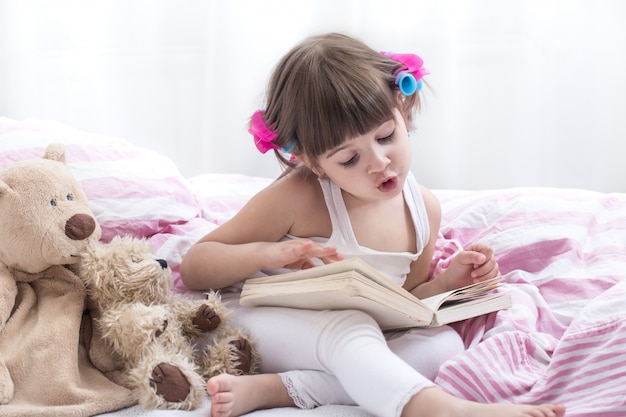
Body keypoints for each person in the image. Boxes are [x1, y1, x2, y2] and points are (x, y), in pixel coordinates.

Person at [180, 33, 566, 417]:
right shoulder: (300, 196)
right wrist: (268, 252)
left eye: (386, 136)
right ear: (312, 162)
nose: (379, 162)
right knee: (350, 328)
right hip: (250, 320)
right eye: (348, 159)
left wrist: (449, 283)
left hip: (350, 340)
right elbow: (196, 266)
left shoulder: (423, 210)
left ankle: (282, 389)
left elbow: (404, 304)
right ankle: (437, 409)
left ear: (402, 107)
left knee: (442, 345)